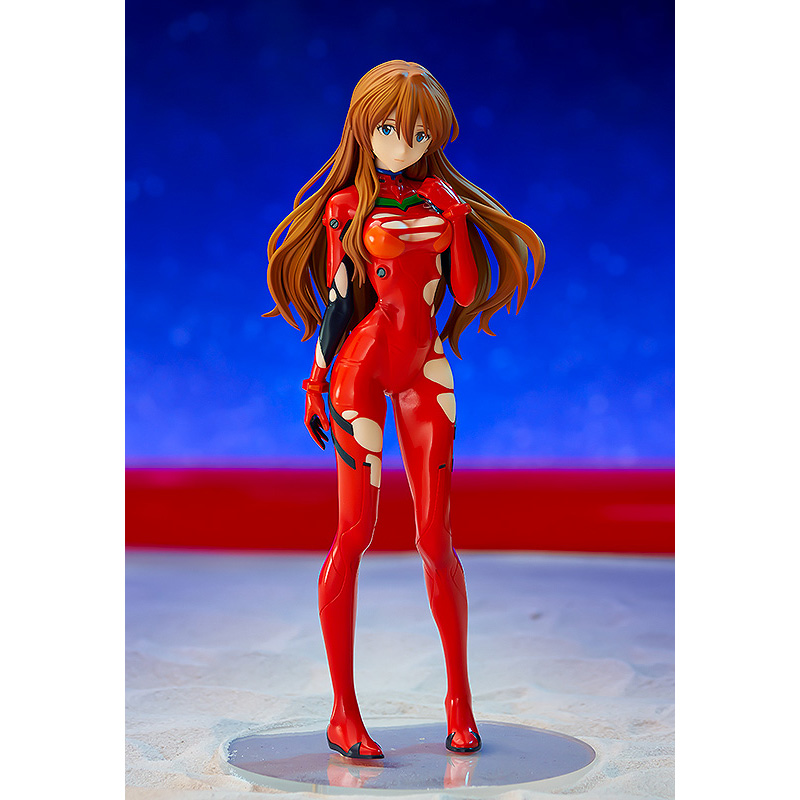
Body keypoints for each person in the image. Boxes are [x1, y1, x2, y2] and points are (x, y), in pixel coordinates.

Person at [266, 60, 544, 760]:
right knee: (353, 531)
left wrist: (460, 221)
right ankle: (343, 713)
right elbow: (339, 299)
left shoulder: (442, 201)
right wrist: (316, 379)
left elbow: (464, 290)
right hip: (361, 364)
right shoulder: (346, 208)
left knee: (435, 537)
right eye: (390, 129)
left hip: (426, 366)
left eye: (418, 134)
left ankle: (460, 704)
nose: (404, 145)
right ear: (364, 129)